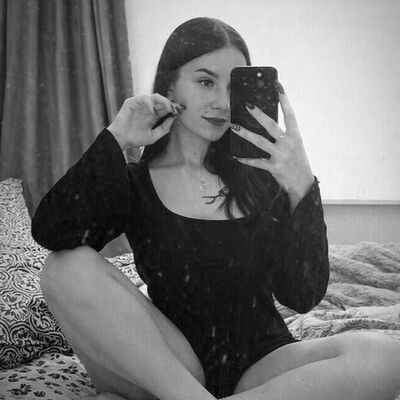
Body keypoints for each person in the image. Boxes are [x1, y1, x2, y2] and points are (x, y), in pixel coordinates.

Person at [32, 17, 400, 400]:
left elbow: (302, 295)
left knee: (387, 356)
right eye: (206, 82)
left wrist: (302, 185)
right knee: (63, 267)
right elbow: (52, 231)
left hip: (263, 365)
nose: (223, 102)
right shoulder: (134, 183)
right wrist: (116, 138)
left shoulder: (259, 178)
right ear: (169, 85)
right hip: (173, 367)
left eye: (232, 86)